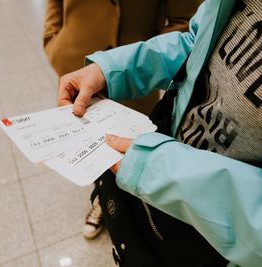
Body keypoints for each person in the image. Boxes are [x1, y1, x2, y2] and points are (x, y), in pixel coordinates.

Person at [57, 0, 262, 266]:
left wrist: (166, 173)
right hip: (163, 172)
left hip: (229, 248)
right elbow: (196, 41)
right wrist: (111, 69)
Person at [43, 0, 201, 239]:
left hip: (135, 80)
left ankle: (133, 213)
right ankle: (101, 200)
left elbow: (186, 22)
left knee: (128, 150)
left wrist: (145, 55)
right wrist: (53, 40)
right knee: (87, 147)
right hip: (77, 61)